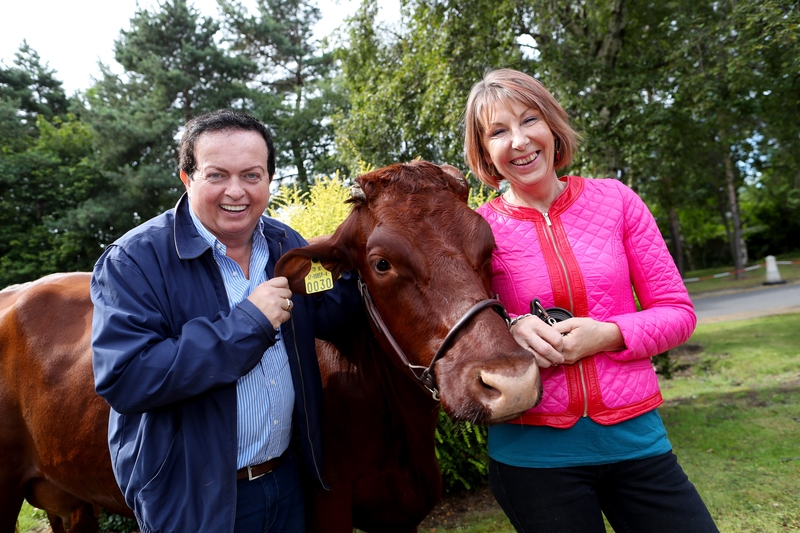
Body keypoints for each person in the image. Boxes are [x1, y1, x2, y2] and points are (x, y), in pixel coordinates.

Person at [463, 68, 719, 533]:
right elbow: (466, 332)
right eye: (498, 132)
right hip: (532, 459)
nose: (519, 141)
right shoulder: (476, 232)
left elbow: (678, 312)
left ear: (552, 126)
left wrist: (609, 334)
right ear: (484, 151)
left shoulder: (617, 201)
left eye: (529, 120)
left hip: (637, 444)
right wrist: (513, 325)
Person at [91, 109, 360, 533]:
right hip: (197, 501)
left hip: (287, 482)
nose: (236, 191)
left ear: (270, 180)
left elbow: (329, 315)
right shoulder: (134, 260)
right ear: (187, 178)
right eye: (217, 175)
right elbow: (126, 378)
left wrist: (373, 257)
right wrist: (249, 323)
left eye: (251, 175)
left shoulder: (285, 244)